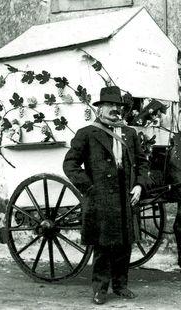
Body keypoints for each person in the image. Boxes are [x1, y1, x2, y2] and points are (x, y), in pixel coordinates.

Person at [63, 85, 149, 305]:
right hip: (101, 198)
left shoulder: (129, 133)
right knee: (103, 245)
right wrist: (90, 188)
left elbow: (141, 163)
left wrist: (139, 185)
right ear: (99, 109)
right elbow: (70, 164)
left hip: (126, 195)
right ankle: (100, 289)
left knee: (124, 243)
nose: (114, 109)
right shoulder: (88, 133)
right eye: (109, 105)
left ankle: (120, 285)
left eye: (117, 106)